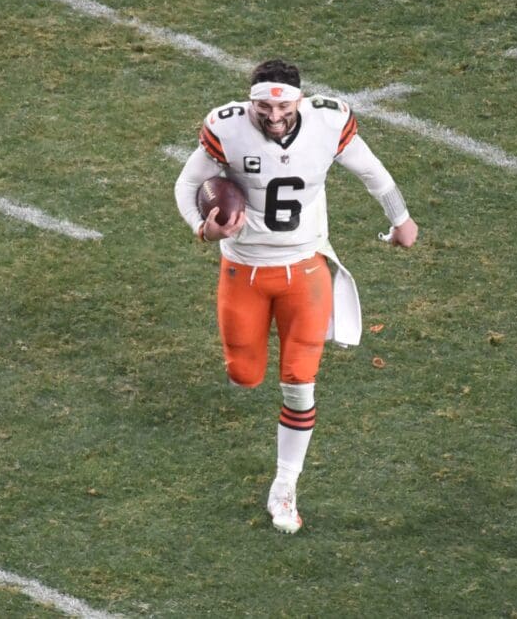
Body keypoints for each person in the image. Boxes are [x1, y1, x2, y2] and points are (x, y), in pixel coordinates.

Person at [174, 59, 417, 534]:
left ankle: (285, 485)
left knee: (299, 381)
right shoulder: (226, 126)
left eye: (281, 104)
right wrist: (201, 228)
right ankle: (278, 458)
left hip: (306, 268)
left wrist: (400, 218)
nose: (273, 114)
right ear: (252, 102)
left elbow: (372, 171)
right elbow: (186, 183)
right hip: (244, 268)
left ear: (298, 101)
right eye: (263, 105)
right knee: (244, 375)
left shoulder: (328, 122)